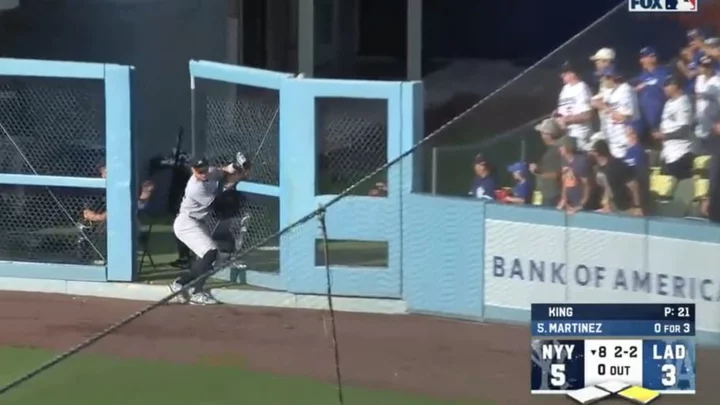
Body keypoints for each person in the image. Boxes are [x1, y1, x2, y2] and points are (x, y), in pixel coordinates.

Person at [170, 157, 247, 305]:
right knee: (210, 252)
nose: (203, 174)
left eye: (205, 170)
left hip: (198, 222)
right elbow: (217, 204)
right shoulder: (195, 188)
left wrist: (237, 166)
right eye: (199, 172)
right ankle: (196, 292)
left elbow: (224, 171)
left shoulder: (210, 171)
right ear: (193, 170)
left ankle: (179, 283)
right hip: (187, 223)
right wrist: (233, 182)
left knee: (210, 259)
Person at [593, 65, 639, 159]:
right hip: (613, 143)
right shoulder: (609, 91)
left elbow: (624, 117)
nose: (601, 80)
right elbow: (592, 101)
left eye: (604, 77)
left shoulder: (625, 90)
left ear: (612, 77)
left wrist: (606, 108)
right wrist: (603, 104)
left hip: (625, 142)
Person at [654, 75, 694, 180]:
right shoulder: (668, 103)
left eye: (666, 85)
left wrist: (664, 136)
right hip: (667, 153)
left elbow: (684, 130)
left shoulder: (683, 102)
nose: (664, 88)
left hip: (680, 154)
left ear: (675, 86)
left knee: (682, 189)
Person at [590, 139, 643, 216]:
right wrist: (606, 203)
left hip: (626, 208)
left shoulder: (617, 165)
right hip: (612, 208)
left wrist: (637, 206)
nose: (591, 154)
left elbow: (633, 185)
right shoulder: (599, 168)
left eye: (593, 151)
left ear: (598, 153)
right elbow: (607, 187)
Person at [633, 47, 669, 144]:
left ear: (653, 58)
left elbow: (668, 91)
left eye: (645, 57)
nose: (642, 60)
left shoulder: (663, 72)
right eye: (642, 58)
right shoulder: (641, 76)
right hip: (645, 120)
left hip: (662, 118)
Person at [555, 62, 594, 151]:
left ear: (573, 74)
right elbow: (562, 111)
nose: (562, 76)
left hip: (580, 136)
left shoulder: (582, 87)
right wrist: (557, 117)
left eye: (565, 73)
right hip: (567, 135)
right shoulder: (565, 89)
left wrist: (565, 120)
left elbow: (587, 115)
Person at [529, 118, 564, 207]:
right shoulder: (550, 149)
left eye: (542, 133)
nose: (541, 136)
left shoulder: (556, 151)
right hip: (542, 192)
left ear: (549, 135)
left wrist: (537, 171)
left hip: (550, 195)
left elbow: (557, 174)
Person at [557, 136, 596, 213]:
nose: (559, 148)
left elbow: (588, 185)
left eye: (561, 146)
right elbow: (565, 181)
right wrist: (564, 199)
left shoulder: (581, 162)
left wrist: (581, 205)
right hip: (570, 202)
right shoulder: (564, 160)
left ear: (568, 147)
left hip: (583, 206)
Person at [624, 120, 651, 213]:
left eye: (630, 133)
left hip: (638, 193)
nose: (628, 135)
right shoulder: (628, 151)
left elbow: (641, 175)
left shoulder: (639, 151)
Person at [694, 55, 720, 149]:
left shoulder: (718, 81)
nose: (705, 68)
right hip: (701, 122)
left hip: (714, 124)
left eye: (708, 66)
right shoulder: (699, 79)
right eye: (703, 66)